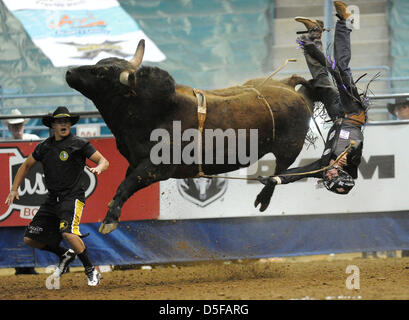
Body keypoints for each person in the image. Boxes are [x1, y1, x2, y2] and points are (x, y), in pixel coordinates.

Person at [256, 1, 367, 198]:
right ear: (343, 173)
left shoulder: (323, 166)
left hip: (336, 115)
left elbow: (298, 173)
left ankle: (314, 34)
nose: (328, 173)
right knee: (340, 69)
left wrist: (275, 180)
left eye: (327, 178)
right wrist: (317, 55)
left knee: (321, 81)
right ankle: (345, 22)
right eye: (332, 175)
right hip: (353, 111)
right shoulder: (352, 157)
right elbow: (354, 145)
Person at [5, 106, 109, 286]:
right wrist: (14, 189)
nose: (64, 124)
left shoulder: (79, 143)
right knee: (30, 238)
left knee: (68, 232)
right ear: (53, 125)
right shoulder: (44, 147)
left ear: (70, 124)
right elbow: (25, 166)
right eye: (60, 121)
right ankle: (63, 253)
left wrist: (99, 167)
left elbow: (103, 160)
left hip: (72, 197)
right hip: (52, 199)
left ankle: (91, 271)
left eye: (66, 121)